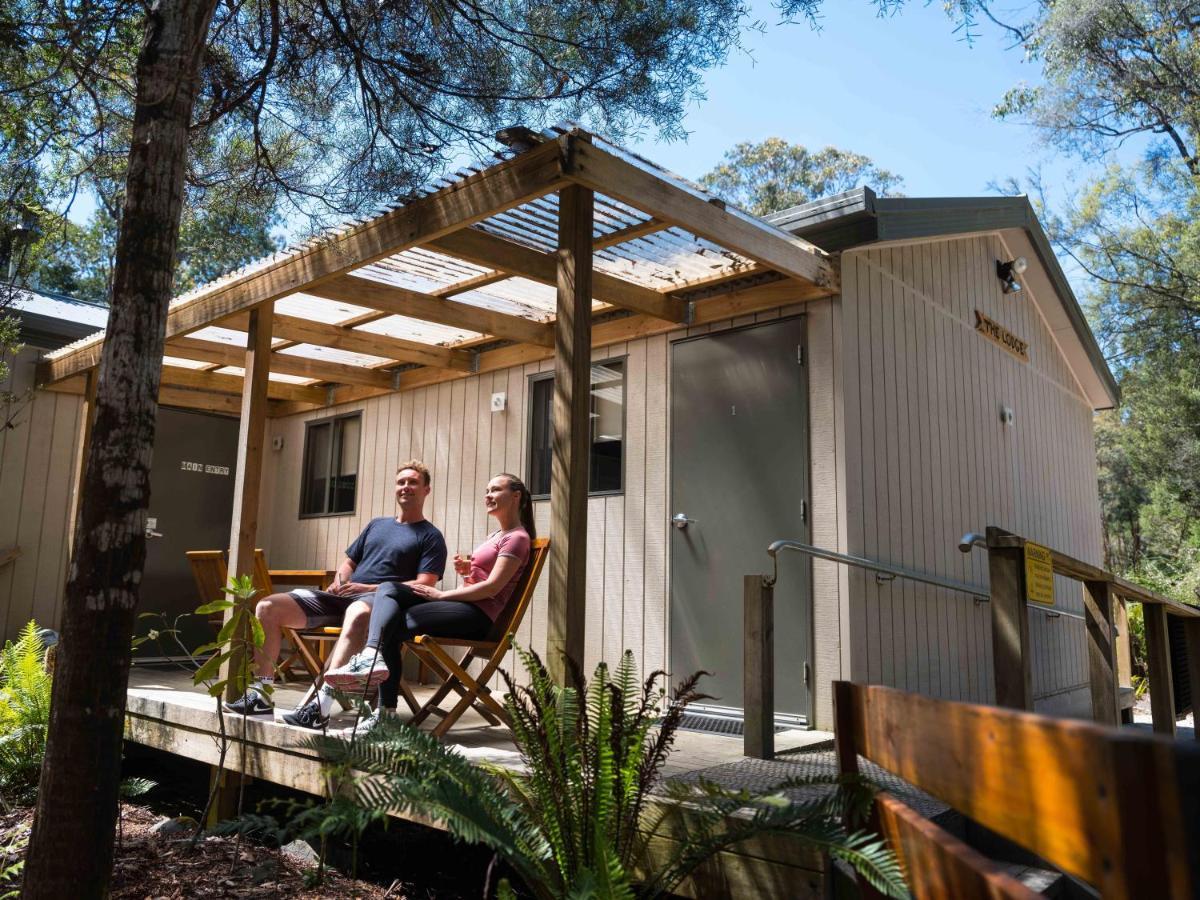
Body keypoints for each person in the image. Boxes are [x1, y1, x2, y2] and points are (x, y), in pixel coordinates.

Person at [224, 461, 447, 730]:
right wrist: (339, 581)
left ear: (426, 490)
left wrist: (365, 589)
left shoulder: (430, 536)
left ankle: (320, 708)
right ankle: (261, 695)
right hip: (342, 597)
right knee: (267, 606)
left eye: (413, 482)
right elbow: (349, 563)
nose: (406, 487)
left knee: (357, 613)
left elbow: (424, 584)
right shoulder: (376, 525)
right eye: (401, 482)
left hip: (377, 603)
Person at [323, 473, 535, 731]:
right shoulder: (496, 535)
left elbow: (493, 588)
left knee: (391, 624)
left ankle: (384, 709)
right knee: (390, 589)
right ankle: (373, 664)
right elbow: (482, 579)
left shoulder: (517, 538)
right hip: (464, 607)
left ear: (516, 496)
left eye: (496, 490)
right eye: (487, 490)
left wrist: (443, 595)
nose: (488, 495)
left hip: (477, 617)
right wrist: (467, 570)